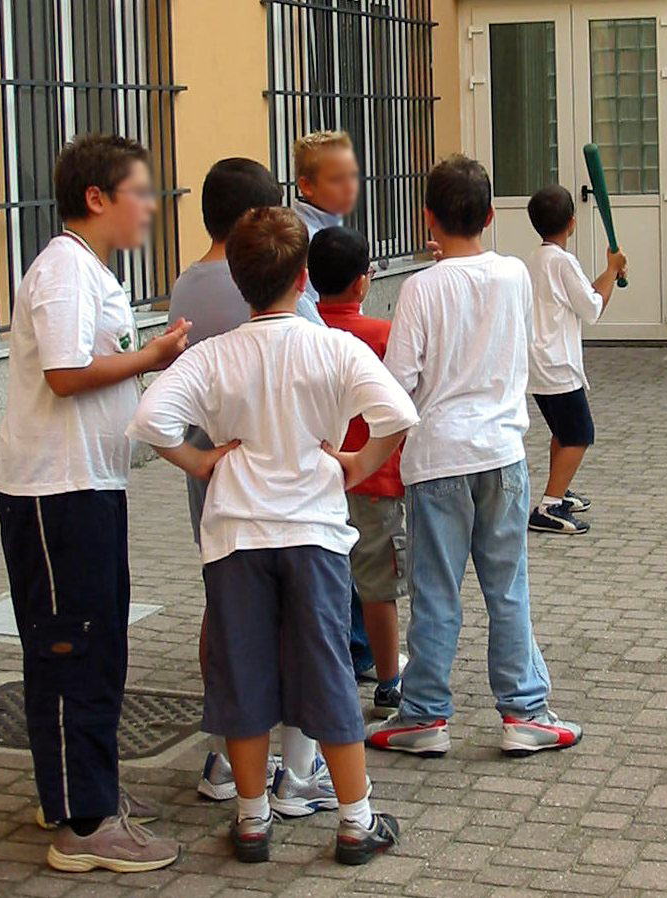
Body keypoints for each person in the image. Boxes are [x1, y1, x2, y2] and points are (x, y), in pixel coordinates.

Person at [127, 206, 418, 865]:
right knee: (328, 671)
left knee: (243, 674)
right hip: (313, 531)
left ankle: (253, 820)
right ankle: (355, 820)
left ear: (237, 279)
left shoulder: (214, 356)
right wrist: (357, 464)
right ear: (304, 275)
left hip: (234, 536)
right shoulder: (332, 346)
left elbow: (149, 419)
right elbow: (397, 414)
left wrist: (200, 460)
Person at [0, 134, 188, 873]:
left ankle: (77, 790)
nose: (149, 206)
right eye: (139, 191)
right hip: (57, 489)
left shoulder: (85, 271)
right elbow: (68, 373)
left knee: (88, 644)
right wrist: (154, 357)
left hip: (85, 484)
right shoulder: (66, 272)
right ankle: (82, 825)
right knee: (75, 647)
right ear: (98, 198)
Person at [366, 155, 582, 758]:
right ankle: (525, 711)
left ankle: (424, 716)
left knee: (437, 591)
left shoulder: (418, 288)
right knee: (507, 587)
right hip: (502, 452)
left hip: (436, 458)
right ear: (491, 215)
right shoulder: (514, 273)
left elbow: (398, 380)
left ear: (426, 219)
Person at [168, 158, 338, 817]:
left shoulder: (185, 285)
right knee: (295, 621)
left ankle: (222, 757)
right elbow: (316, 360)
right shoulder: (269, 288)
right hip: (283, 483)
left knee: (226, 610)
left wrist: (192, 457)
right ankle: (298, 770)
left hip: (213, 476)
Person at [290, 129, 380, 681]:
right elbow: (305, 317)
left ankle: (357, 642)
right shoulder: (300, 238)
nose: (350, 187)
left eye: (354, 175)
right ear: (306, 185)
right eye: (338, 178)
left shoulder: (334, 230)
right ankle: (350, 645)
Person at [313, 227, 407, 720]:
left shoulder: (306, 333)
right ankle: (390, 680)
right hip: (376, 478)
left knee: (326, 583)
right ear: (362, 283)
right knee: (378, 586)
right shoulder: (383, 337)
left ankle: (328, 669)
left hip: (316, 479)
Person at [524, 185, 627, 535]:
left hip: (538, 363)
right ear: (572, 222)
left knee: (563, 432)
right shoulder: (563, 261)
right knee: (579, 434)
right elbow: (593, 308)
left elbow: (585, 293)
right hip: (557, 364)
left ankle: (558, 491)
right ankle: (549, 506)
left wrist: (610, 272)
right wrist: (612, 271)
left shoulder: (538, 259)